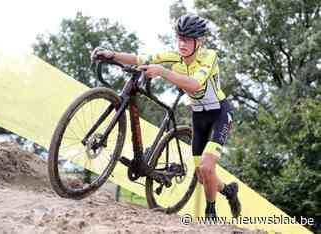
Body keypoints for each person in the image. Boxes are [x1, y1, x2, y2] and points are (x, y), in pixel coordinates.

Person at [91, 13, 241, 219]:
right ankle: (229, 191)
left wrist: (163, 72)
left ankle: (210, 212)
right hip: (198, 116)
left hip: (220, 113)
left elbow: (195, 84)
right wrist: (112, 54)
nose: (182, 43)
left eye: (188, 39)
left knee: (207, 167)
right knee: (201, 176)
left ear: (201, 41)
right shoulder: (174, 56)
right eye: (180, 37)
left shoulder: (209, 56)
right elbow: (139, 59)